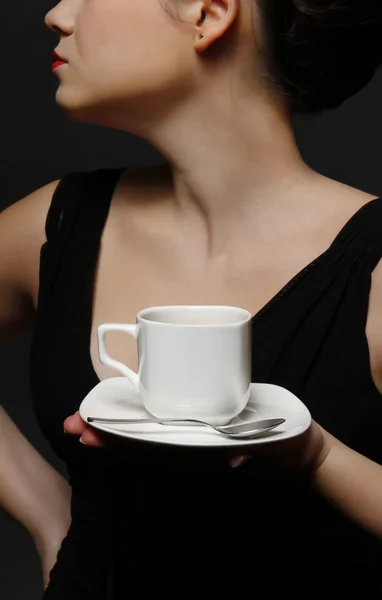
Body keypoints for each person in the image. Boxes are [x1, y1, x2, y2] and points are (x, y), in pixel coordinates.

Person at [1, 0, 382, 596]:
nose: (57, 14)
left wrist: (315, 456)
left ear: (209, 11)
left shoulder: (374, 268)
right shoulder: (57, 222)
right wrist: (51, 513)